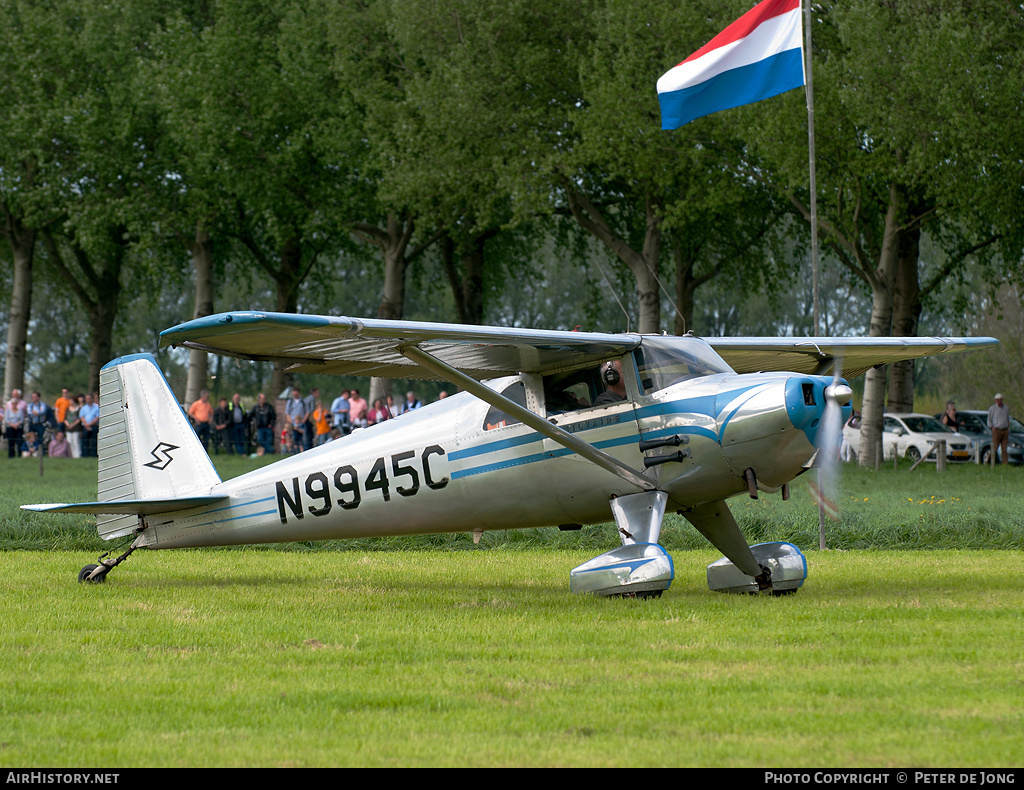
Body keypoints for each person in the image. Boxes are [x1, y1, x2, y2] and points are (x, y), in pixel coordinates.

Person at [988, 393, 1010, 466]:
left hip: (1005, 430)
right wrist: (992, 427)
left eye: (1000, 399)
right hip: (996, 430)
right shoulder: (992, 408)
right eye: (997, 400)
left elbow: (1007, 419)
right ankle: (990, 462)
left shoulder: (1006, 408)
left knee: (1004, 449)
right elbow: (989, 420)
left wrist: (1008, 428)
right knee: (995, 447)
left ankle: (1005, 464)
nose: (998, 401)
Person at [285, 387, 308, 453]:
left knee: (302, 438)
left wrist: (304, 420)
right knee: (294, 438)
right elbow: (287, 413)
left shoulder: (303, 401)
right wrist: (290, 421)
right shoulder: (290, 402)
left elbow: (307, 411)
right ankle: (294, 451)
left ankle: (303, 450)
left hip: (301, 422)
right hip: (293, 422)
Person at [5, 389, 26, 457]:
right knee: (11, 442)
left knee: (19, 441)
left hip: (18, 427)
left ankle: (19, 454)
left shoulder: (20, 410)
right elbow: (7, 419)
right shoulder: (8, 409)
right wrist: (12, 425)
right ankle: (11, 455)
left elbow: (22, 418)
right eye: (12, 403)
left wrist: (17, 424)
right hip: (10, 427)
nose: (14, 404)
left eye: (15, 403)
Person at [80, 393, 100, 457]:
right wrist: (86, 425)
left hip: (94, 426)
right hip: (85, 427)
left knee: (94, 441)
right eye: (86, 399)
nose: (87, 400)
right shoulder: (83, 408)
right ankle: (85, 455)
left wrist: (90, 424)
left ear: (92, 399)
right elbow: (82, 417)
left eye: (88, 399)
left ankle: (94, 455)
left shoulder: (96, 408)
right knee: (85, 441)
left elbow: (97, 417)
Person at [65, 394, 84, 458]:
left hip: (76, 428)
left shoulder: (79, 409)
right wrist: (68, 425)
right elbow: (65, 418)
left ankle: (77, 456)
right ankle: (71, 455)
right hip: (68, 428)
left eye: (71, 401)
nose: (70, 402)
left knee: (76, 442)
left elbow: (79, 418)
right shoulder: (67, 409)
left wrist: (73, 424)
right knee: (69, 442)